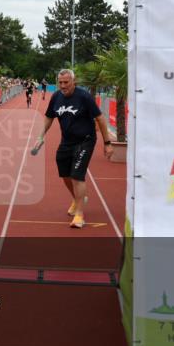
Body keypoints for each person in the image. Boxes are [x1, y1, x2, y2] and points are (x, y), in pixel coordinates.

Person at [37, 69, 115, 229]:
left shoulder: (84, 97)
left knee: (77, 175)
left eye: (66, 82)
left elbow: (100, 118)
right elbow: (49, 117)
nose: (63, 85)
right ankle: (77, 198)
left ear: (74, 82)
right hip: (67, 141)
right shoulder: (56, 97)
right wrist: (40, 136)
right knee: (64, 174)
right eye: (60, 82)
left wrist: (107, 143)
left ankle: (79, 214)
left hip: (85, 140)